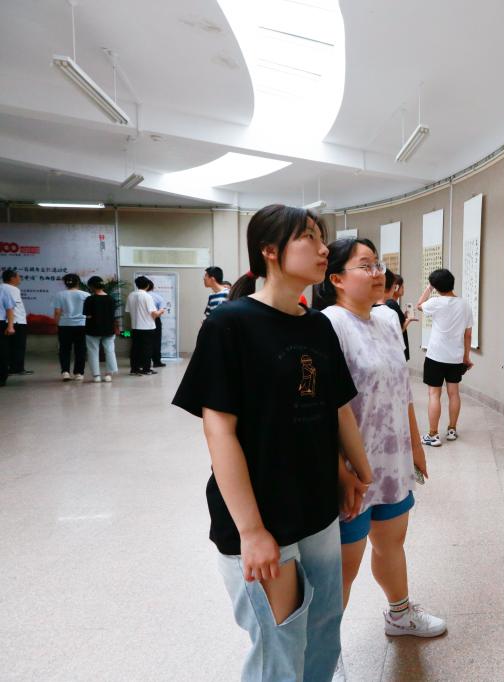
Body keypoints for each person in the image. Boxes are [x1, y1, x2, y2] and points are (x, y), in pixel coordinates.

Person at [172, 204, 373, 682]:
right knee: (280, 648)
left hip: (316, 508)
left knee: (324, 628)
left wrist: (352, 471)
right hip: (262, 517)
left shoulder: (317, 325)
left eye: (322, 237)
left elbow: (333, 408)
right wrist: (251, 532)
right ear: (269, 250)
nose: (323, 248)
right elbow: (218, 431)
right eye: (309, 237)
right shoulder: (231, 323)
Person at [319, 238, 446, 648]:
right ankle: (323, 652)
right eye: (366, 265)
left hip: (392, 460)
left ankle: (400, 614)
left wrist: (415, 445)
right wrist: (339, 471)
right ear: (337, 279)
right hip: (351, 469)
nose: (378, 273)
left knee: (391, 542)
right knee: (344, 566)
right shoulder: (328, 325)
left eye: (378, 265)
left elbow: (401, 389)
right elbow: (324, 408)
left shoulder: (388, 319)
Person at [417, 268, 474, 446]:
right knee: (454, 393)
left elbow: (419, 305)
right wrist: (466, 357)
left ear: (436, 286)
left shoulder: (435, 302)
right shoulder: (465, 305)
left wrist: (429, 288)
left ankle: (433, 435)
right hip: (456, 357)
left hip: (435, 355)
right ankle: (452, 430)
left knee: (434, 394)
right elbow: (468, 335)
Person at [53, 273, 89, 381]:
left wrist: (56, 324)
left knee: (64, 349)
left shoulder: (59, 295)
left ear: (65, 283)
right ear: (78, 282)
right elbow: (89, 313)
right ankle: (79, 373)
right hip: (81, 325)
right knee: (80, 349)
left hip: (64, 325)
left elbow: (57, 312)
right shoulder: (86, 295)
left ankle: (65, 372)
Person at [83, 276, 119, 383]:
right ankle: (109, 374)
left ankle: (96, 376)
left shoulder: (90, 299)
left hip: (92, 329)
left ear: (91, 286)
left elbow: (88, 315)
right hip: (108, 329)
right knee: (110, 351)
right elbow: (113, 315)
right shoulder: (111, 299)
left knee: (93, 351)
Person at [126, 276, 163, 376]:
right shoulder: (147, 296)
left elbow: (128, 310)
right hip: (147, 327)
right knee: (147, 349)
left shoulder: (131, 295)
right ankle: (146, 369)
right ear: (147, 285)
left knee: (135, 349)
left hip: (135, 326)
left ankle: (134, 369)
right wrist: (161, 311)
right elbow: (154, 314)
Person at [1, 269, 30, 374]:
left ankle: (8, 368)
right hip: (17, 321)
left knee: (7, 347)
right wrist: (11, 324)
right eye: (18, 277)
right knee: (18, 346)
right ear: (12, 278)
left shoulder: (2, 287)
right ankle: (17, 368)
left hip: (7, 321)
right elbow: (11, 307)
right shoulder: (12, 289)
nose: (20, 279)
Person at [379, 272, 411, 361]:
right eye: (402, 286)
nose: (403, 289)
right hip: (396, 350)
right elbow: (399, 330)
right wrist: (409, 320)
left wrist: (404, 316)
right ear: (395, 287)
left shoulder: (389, 303)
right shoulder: (392, 304)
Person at [146, 280, 168, 367]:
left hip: (140, 321)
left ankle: (142, 362)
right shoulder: (158, 297)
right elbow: (162, 310)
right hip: (155, 320)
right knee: (156, 341)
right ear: (152, 287)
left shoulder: (136, 296)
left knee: (143, 342)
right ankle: (156, 361)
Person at [0, 283, 14, 387]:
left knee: (2, 352)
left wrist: (10, 326)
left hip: (0, 323)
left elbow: (9, 309)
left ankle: (2, 377)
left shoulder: (3, 290)